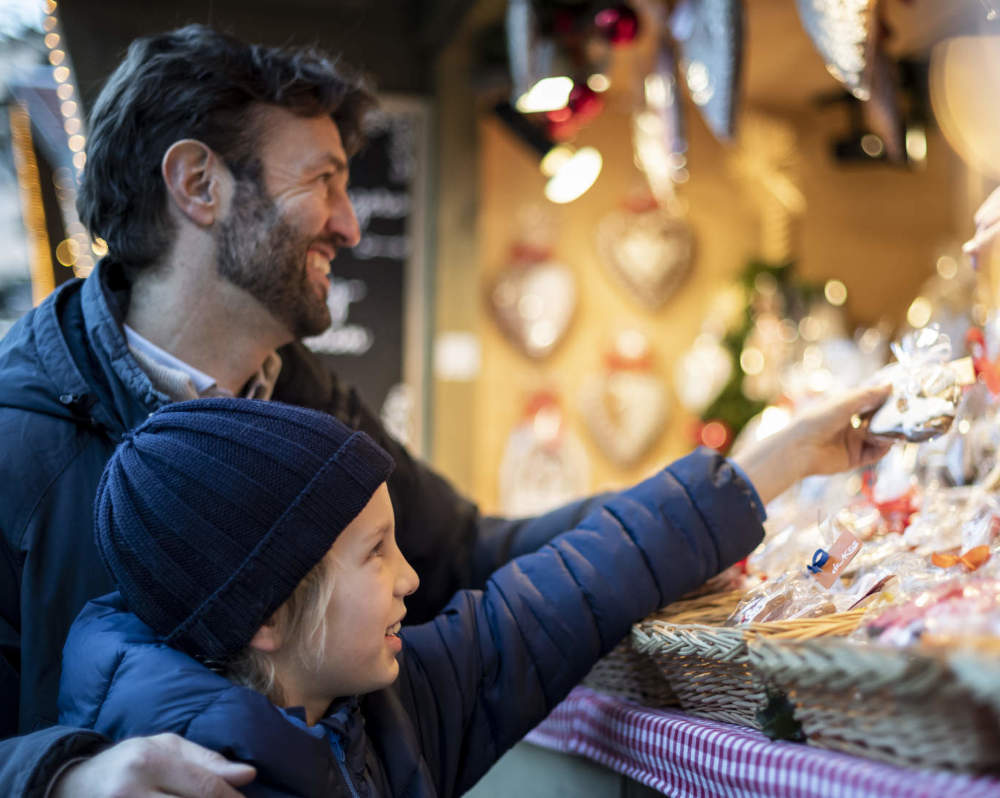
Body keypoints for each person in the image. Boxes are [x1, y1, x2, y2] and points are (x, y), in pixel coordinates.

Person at [0, 22, 890, 798]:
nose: (349, 225)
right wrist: (59, 775)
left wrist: (750, 476)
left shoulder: (310, 403)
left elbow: (470, 559)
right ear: (198, 184)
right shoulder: (16, 430)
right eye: (324, 180)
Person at [54, 395, 889, 797]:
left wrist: (774, 465)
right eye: (377, 553)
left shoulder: (370, 705)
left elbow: (553, 599)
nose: (411, 578)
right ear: (267, 613)